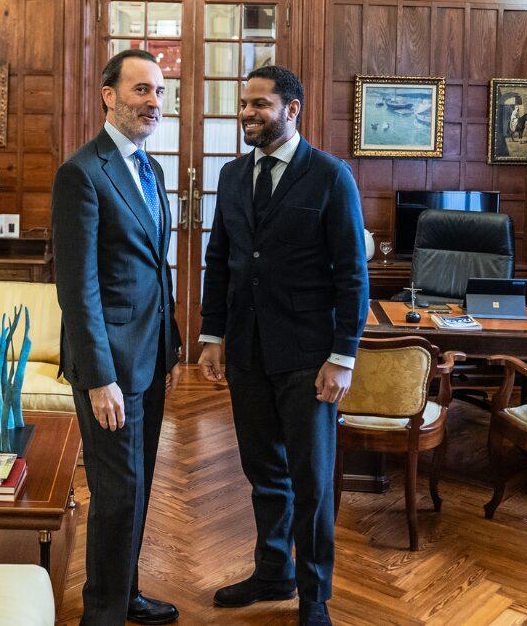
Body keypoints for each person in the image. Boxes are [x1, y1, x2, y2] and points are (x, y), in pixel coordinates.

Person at [198, 65, 369, 626]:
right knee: (262, 472)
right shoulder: (230, 175)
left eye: (259, 104)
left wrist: (343, 356)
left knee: (311, 481)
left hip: (309, 358)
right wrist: (212, 336)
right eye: (244, 103)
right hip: (247, 353)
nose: (247, 113)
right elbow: (219, 262)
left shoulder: (329, 176)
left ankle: (314, 594)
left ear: (292, 109)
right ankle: (273, 572)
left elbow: (352, 274)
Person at [51, 49, 182, 626]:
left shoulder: (149, 168)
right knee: (115, 491)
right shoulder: (82, 173)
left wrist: (170, 345)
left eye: (159, 91)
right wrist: (100, 375)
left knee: (138, 485)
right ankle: (100, 613)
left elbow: (154, 267)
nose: (154, 102)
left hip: (150, 358)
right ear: (108, 95)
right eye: (140, 90)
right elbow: (76, 289)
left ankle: (124, 595)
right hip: (109, 367)